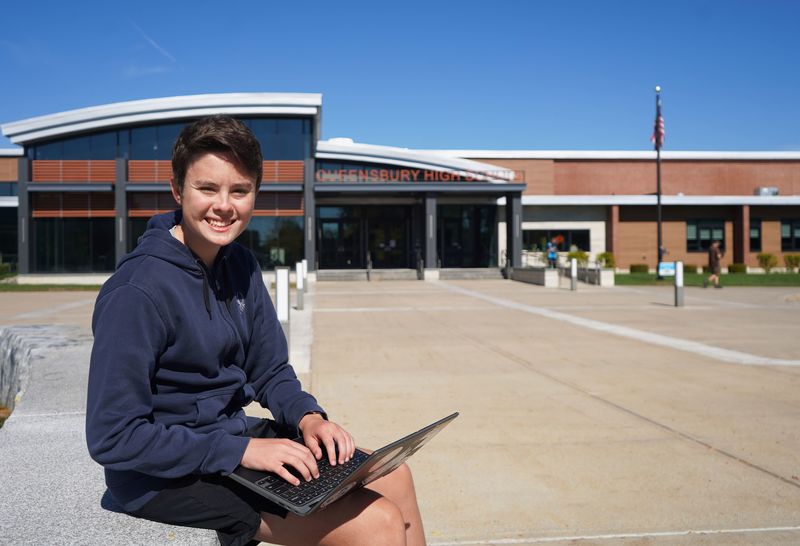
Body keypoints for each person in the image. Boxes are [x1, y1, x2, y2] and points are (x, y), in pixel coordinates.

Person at [86, 116, 425, 546]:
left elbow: (269, 370)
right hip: (161, 475)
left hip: (228, 442)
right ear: (177, 190)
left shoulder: (241, 265)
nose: (223, 205)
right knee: (377, 523)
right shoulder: (137, 291)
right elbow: (113, 435)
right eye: (207, 188)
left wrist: (307, 416)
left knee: (394, 475)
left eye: (239, 191)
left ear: (254, 196)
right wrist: (242, 451)